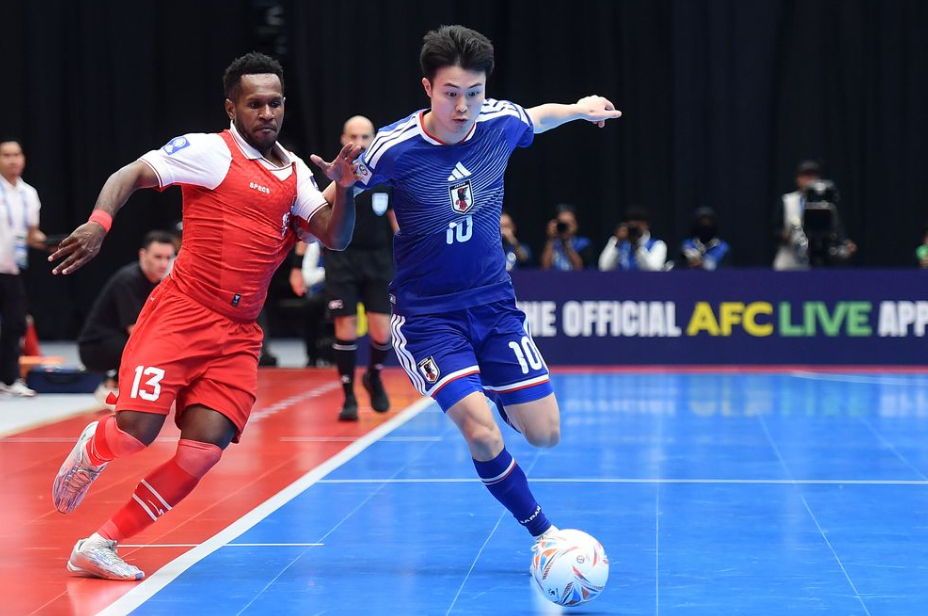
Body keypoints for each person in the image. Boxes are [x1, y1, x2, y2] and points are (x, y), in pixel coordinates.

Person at [48, 52, 361, 581]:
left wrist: (346, 187)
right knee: (135, 434)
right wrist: (99, 223)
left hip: (237, 335)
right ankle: (94, 449)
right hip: (183, 313)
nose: (267, 112)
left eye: (275, 103)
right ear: (232, 108)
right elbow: (131, 173)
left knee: (201, 452)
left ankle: (99, 545)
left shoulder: (295, 174)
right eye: (255, 103)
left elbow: (336, 236)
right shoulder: (209, 152)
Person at [353, 25, 620, 551]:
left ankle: (494, 392)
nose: (463, 106)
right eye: (451, 93)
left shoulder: (498, 121)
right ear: (427, 88)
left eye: (473, 93)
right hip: (428, 318)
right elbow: (333, 193)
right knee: (481, 432)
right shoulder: (392, 148)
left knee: (545, 433)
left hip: (495, 306)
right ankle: (545, 535)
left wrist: (579, 108)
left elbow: (537, 117)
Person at [292, 115, 397, 421]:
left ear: (374, 139)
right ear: (343, 139)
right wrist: (297, 267)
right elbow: (312, 221)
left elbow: (398, 224)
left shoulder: (385, 176)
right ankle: (348, 396)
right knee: (346, 329)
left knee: (383, 332)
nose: (359, 143)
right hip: (341, 261)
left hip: (378, 261)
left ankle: (373, 375)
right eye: (354, 136)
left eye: (365, 137)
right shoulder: (333, 177)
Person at [77, 231, 176, 398]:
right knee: (153, 348)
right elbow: (135, 330)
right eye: (158, 257)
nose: (163, 264)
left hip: (119, 341)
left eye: (168, 258)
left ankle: (118, 384)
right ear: (143, 255)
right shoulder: (128, 280)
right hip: (96, 348)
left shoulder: (159, 284)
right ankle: (113, 384)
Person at [0, 138, 48, 397]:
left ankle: (9, 379)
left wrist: (52, 244)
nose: (13, 160)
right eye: (6, 155)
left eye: (16, 154)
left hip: (12, 268)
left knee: (16, 323)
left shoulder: (29, 194)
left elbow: (32, 235)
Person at [773, 160, 857, 270]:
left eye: (813, 176)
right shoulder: (786, 201)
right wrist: (786, 234)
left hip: (819, 263)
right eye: (806, 175)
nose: (810, 179)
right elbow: (775, 231)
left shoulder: (827, 205)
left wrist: (845, 244)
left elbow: (837, 230)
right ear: (798, 179)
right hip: (789, 265)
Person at [289, 238, 331, 366]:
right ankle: (312, 355)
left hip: (343, 291)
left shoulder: (347, 244)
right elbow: (307, 277)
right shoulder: (313, 245)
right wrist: (331, 271)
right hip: (321, 292)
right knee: (311, 305)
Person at [598, 206, 667, 271]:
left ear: (646, 225)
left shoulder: (658, 244)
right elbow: (604, 267)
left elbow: (654, 270)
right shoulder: (616, 241)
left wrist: (636, 246)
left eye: (638, 222)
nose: (633, 225)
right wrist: (617, 243)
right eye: (630, 222)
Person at [540, 203, 593, 270]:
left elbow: (579, 268)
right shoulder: (550, 244)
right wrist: (551, 239)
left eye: (569, 223)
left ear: (576, 225)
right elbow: (544, 269)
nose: (565, 227)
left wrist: (566, 244)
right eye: (562, 223)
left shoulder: (584, 244)